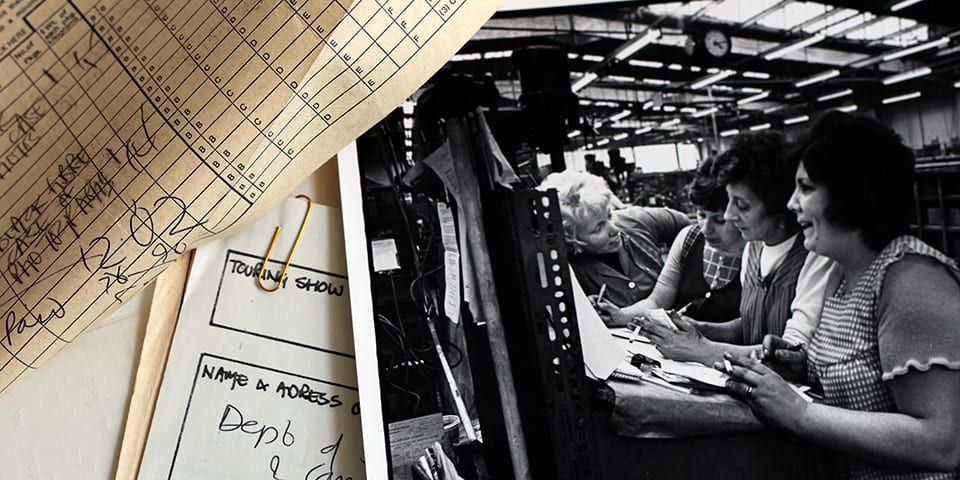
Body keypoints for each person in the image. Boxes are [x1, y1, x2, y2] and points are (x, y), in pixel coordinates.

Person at [723, 112, 960, 478]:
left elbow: (941, 443)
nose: (791, 204)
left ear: (850, 193)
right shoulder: (839, 271)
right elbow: (864, 371)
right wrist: (802, 365)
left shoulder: (911, 281)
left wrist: (800, 414)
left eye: (805, 188)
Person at [632, 130, 837, 366]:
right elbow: (750, 324)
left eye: (741, 205)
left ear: (778, 206)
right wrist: (700, 328)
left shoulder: (815, 255)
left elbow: (790, 351)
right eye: (729, 201)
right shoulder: (753, 248)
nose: (730, 214)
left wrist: (701, 350)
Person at [597, 155, 745, 325]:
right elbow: (657, 302)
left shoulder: (756, 252)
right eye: (701, 215)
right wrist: (620, 315)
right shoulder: (688, 239)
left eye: (719, 220)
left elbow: (751, 327)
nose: (705, 228)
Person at [537, 170, 689, 307]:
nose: (615, 229)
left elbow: (689, 230)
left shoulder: (637, 220)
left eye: (609, 215)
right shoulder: (566, 269)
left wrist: (678, 272)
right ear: (572, 239)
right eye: (598, 228)